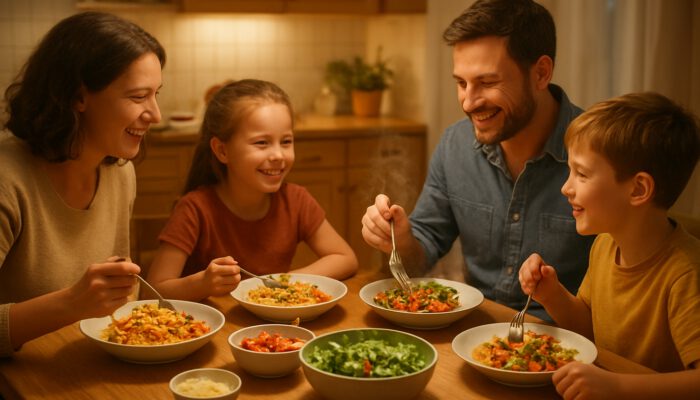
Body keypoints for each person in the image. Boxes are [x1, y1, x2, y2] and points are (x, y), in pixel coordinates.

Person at [360, 0, 594, 318]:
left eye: (487, 82)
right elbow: (421, 255)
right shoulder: (455, 144)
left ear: (541, 73)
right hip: (475, 335)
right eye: (461, 83)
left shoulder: (601, 153)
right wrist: (399, 240)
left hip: (566, 344)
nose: (469, 102)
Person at [0, 12, 165, 357]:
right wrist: (71, 303)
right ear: (78, 97)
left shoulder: (120, 171)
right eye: (138, 97)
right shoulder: (8, 178)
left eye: (156, 95)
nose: (155, 114)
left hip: (92, 366)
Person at [518, 92, 700, 399]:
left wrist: (616, 387)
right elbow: (590, 328)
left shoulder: (685, 273)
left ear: (638, 189)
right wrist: (551, 294)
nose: (566, 187)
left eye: (582, 174)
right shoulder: (605, 245)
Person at [147, 79, 358, 301]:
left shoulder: (296, 200)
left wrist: (284, 283)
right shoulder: (195, 209)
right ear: (222, 150)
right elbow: (152, 291)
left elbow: (345, 258)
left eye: (286, 141)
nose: (278, 155)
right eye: (261, 143)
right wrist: (202, 284)